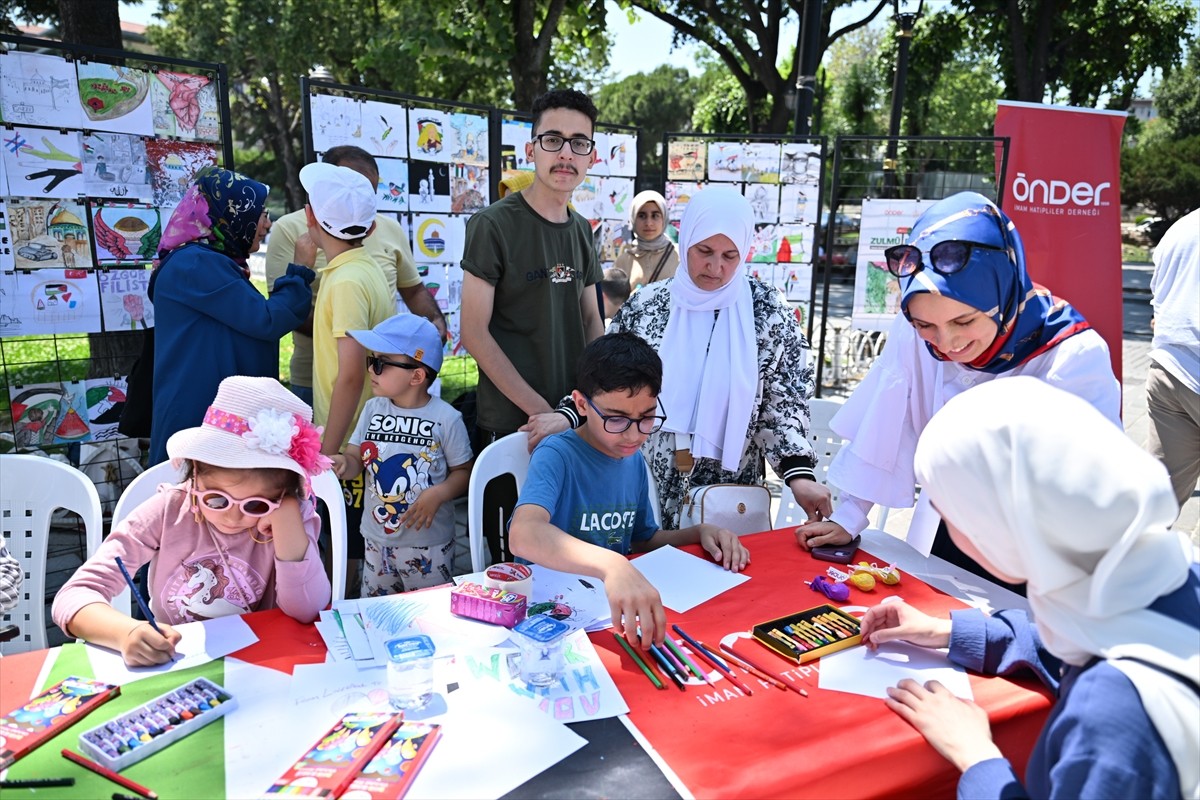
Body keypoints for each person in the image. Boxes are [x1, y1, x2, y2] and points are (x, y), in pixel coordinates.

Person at [859, 377, 1199, 800]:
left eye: (951, 510)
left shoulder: (1110, 716)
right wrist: (948, 632)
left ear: (1002, 525)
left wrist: (976, 756)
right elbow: (1082, 639)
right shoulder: (1165, 572)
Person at [797, 192, 1121, 579]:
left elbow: (1091, 487)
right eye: (926, 326)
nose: (947, 343)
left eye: (964, 322)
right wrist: (849, 516)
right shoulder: (913, 332)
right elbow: (888, 419)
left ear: (1002, 290)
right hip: (946, 529)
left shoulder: (1071, 353)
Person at [52, 377, 332, 667]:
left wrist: (287, 519)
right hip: (178, 661)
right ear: (194, 473)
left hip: (268, 661)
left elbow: (308, 610)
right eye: (216, 499)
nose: (233, 516)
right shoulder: (169, 510)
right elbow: (74, 595)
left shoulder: (291, 517)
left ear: (283, 495)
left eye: (256, 504)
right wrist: (127, 632)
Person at [609, 186, 829, 530]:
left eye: (731, 255)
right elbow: (607, 379)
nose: (715, 267)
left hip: (728, 490)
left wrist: (798, 473)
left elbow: (784, 403)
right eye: (704, 251)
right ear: (686, 241)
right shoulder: (648, 306)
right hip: (644, 478)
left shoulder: (767, 313)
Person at [509, 332, 749, 647]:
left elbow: (643, 538)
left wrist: (698, 532)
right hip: (553, 619)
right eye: (617, 419)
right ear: (581, 404)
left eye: (647, 418)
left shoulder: (631, 460)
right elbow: (523, 534)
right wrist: (612, 564)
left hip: (611, 614)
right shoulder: (557, 454)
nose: (634, 435)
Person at [460, 89, 605, 563]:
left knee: (569, 558)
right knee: (511, 565)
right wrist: (543, 412)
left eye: (579, 142)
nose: (566, 152)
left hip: (571, 422)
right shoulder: (494, 225)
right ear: (531, 149)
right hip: (514, 425)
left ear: (592, 155)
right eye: (554, 139)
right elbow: (475, 333)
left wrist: (581, 409)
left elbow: (591, 322)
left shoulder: (583, 230)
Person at [147, 167, 314, 465]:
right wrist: (300, 271)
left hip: (208, 405)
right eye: (260, 213)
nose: (267, 223)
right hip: (200, 412)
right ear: (232, 215)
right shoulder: (196, 264)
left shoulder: (207, 262)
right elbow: (266, 320)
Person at [265, 146, 447, 407]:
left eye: (368, 193)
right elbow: (284, 309)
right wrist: (361, 334)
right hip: (317, 379)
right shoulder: (289, 229)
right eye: (346, 188)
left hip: (386, 382)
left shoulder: (388, 230)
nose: (358, 201)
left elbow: (414, 289)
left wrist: (434, 321)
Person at [329, 314, 473, 596]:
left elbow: (465, 472)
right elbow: (356, 459)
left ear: (417, 375)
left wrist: (439, 493)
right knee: (377, 613)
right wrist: (343, 464)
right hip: (375, 539)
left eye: (380, 363)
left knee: (428, 615)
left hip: (428, 545)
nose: (371, 369)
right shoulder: (373, 409)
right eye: (371, 360)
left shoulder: (447, 419)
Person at [1145, 208, 1199, 513]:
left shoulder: (1182, 227)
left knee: (1156, 505)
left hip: (1168, 370)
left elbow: (1159, 301)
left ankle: (1127, 558)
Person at [613, 190, 679, 289]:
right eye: (642, 216)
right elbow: (616, 301)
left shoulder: (681, 256)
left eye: (655, 215)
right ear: (633, 219)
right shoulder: (623, 261)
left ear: (664, 219)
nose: (648, 223)